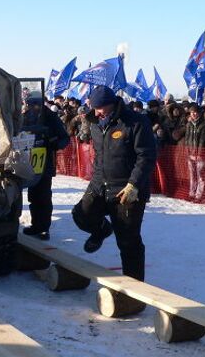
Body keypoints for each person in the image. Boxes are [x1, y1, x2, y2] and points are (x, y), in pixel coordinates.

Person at [71, 86, 156, 283]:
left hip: (126, 189)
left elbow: (146, 156)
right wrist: (95, 181)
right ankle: (101, 230)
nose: (98, 112)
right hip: (101, 184)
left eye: (102, 108)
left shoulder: (135, 121)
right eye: (95, 108)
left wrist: (134, 184)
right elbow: (100, 156)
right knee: (81, 215)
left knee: (128, 241)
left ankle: (134, 289)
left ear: (112, 104)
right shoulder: (94, 123)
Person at [21, 97, 70, 240]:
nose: (32, 107)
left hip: (45, 162)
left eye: (35, 104)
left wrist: (53, 143)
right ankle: (36, 225)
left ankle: (43, 228)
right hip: (27, 162)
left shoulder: (50, 117)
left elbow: (64, 138)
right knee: (33, 196)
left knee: (43, 196)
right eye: (30, 104)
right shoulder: (26, 116)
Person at [184, 103, 205, 202]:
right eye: (192, 112)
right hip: (190, 153)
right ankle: (192, 193)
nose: (194, 114)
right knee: (192, 175)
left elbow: (203, 140)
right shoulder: (189, 124)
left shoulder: (203, 124)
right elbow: (187, 138)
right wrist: (186, 151)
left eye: (195, 112)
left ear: (199, 113)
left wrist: (200, 153)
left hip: (199, 155)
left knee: (200, 176)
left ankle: (199, 195)